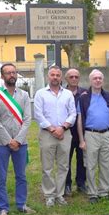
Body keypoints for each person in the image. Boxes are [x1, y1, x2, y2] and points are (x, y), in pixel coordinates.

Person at [0, 63, 35, 215]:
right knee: (0, 176)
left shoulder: (24, 95)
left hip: (21, 142)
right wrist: (9, 141)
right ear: (2, 76)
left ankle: (21, 204)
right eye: (8, 73)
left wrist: (18, 140)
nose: (11, 75)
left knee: (21, 175)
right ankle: (3, 208)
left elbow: (28, 119)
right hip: (1, 143)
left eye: (14, 72)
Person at [34, 66, 76, 207]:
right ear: (48, 77)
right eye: (52, 75)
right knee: (47, 167)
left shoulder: (68, 94)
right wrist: (53, 129)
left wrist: (62, 128)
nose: (55, 77)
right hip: (47, 134)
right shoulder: (40, 94)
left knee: (63, 166)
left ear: (61, 77)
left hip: (65, 133)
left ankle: (60, 194)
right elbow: (38, 114)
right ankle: (49, 195)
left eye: (58, 75)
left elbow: (73, 114)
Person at [77, 69, 109, 204]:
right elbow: (80, 119)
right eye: (95, 78)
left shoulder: (108, 96)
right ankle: (92, 193)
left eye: (100, 78)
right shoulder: (84, 97)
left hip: (106, 134)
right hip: (90, 135)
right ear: (90, 80)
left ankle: (104, 191)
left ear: (103, 80)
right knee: (91, 165)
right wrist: (82, 140)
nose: (98, 80)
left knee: (105, 164)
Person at [64, 68, 87, 196]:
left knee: (82, 158)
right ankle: (67, 184)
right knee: (66, 159)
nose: (74, 79)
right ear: (66, 79)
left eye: (76, 77)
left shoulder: (85, 93)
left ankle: (81, 183)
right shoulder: (61, 92)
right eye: (71, 77)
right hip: (66, 130)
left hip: (81, 131)